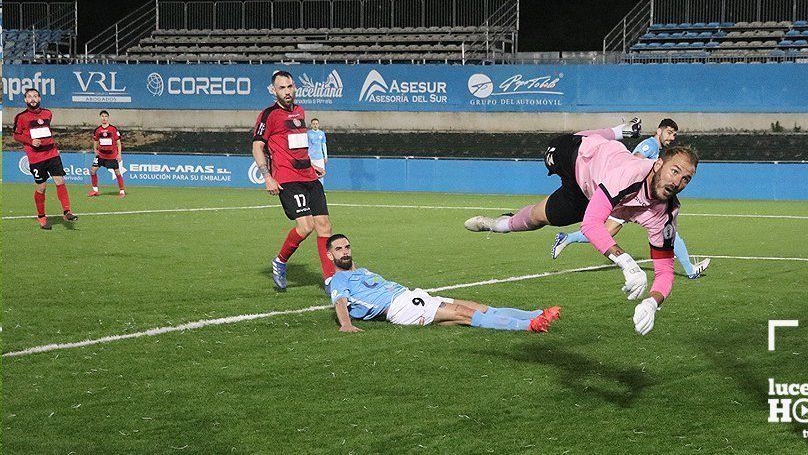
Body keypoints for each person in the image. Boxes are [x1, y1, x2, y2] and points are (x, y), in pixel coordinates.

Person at [464, 123, 698, 336]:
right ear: (658, 164)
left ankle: (496, 225)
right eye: (674, 171)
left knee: (537, 218)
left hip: (588, 193)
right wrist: (626, 262)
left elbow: (665, 272)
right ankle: (616, 131)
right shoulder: (630, 175)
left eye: (686, 178)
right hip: (576, 153)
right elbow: (591, 224)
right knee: (556, 150)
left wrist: (652, 303)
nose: (677, 182)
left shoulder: (665, 212)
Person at [551, 118, 710, 279]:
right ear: (659, 131)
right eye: (669, 133)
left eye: (674, 135)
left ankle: (568, 238)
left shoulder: (660, 151)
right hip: (627, 196)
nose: (671, 138)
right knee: (668, 233)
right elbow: (633, 162)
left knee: (607, 232)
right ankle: (690, 271)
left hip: (635, 199)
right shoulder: (650, 145)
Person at [325, 234, 560, 333]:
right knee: (463, 313)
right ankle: (530, 326)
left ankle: (535, 314)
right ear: (330, 256)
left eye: (347, 247)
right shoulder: (339, 279)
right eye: (338, 249)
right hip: (399, 307)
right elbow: (340, 302)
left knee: (476, 307)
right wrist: (345, 325)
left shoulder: (362, 270)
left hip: (410, 296)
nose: (344, 252)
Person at [253, 70, 333, 291]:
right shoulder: (268, 115)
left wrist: (311, 164)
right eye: (281, 88)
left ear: (295, 87)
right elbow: (257, 146)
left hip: (308, 175)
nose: (287, 92)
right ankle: (280, 261)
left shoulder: (299, 111)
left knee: (324, 225)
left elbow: (297, 145)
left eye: (289, 87)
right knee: (306, 226)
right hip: (287, 178)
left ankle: (329, 279)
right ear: (274, 91)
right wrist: (267, 176)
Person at [12, 88, 78, 230]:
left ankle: (67, 211)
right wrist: (30, 141)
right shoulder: (21, 117)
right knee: (41, 188)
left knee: (60, 180)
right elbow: (16, 135)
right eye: (29, 96)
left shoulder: (48, 113)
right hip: (36, 158)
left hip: (52, 154)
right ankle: (41, 216)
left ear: (40, 98)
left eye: (35, 96)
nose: (33, 99)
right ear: (25, 100)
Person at [88, 110, 126, 198]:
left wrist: (119, 154)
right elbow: (96, 141)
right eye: (102, 116)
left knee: (117, 172)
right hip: (101, 155)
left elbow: (118, 143)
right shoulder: (97, 130)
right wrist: (95, 149)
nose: (104, 118)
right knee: (93, 170)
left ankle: (122, 191)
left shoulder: (113, 129)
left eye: (105, 116)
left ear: (108, 118)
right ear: (100, 118)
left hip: (111, 155)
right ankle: (95, 190)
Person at [307, 118, 328, 185]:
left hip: (319, 157)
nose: (315, 125)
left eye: (316, 124)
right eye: (313, 124)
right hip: (311, 157)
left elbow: (324, 145)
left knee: (321, 173)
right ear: (311, 125)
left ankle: (321, 189)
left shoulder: (321, 133)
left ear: (318, 125)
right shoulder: (308, 133)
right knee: (310, 173)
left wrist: (325, 156)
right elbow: (306, 145)